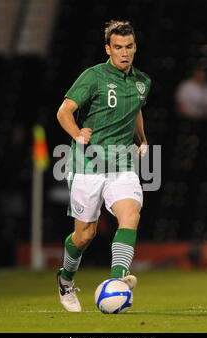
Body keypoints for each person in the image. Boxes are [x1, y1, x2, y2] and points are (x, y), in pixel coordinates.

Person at [56, 20, 151, 312]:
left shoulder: (142, 81)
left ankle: (116, 282)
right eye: (118, 47)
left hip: (122, 166)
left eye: (129, 47)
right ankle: (66, 279)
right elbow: (64, 111)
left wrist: (142, 139)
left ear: (135, 47)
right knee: (85, 235)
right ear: (108, 49)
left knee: (130, 214)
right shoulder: (93, 77)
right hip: (87, 166)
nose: (124, 53)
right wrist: (77, 133)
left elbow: (135, 109)